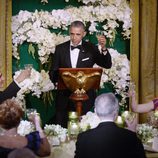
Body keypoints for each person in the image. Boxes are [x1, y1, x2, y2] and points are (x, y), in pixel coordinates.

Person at [49, 20, 112, 127]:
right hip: (64, 98)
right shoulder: (60, 49)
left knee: (83, 129)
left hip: (85, 97)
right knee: (63, 128)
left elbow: (106, 64)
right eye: (72, 34)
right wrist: (57, 81)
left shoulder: (91, 48)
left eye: (78, 34)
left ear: (84, 34)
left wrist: (104, 48)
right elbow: (53, 71)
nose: (74, 37)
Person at [74, 93, 146, 158]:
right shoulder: (131, 137)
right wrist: (132, 133)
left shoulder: (83, 138)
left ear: (95, 112)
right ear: (116, 112)